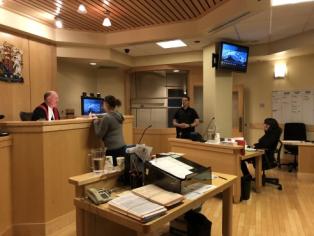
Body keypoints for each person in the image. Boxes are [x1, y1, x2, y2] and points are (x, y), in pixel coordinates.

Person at [93, 95, 126, 166]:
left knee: (112, 172)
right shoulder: (119, 115)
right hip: (122, 147)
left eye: (103, 104)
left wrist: (95, 122)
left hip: (112, 150)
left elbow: (99, 135)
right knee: (119, 171)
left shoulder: (107, 118)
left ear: (106, 104)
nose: (102, 106)